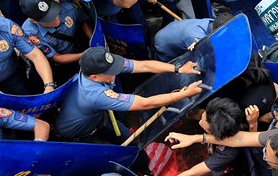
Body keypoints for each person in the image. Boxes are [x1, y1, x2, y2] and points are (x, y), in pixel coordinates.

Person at [54, 47, 202, 144]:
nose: (116, 71)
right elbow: (145, 103)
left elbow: (142, 65)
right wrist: (183, 95)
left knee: (130, 142)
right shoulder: (94, 95)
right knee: (114, 156)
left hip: (98, 117)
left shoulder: (101, 65)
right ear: (94, 77)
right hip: (79, 135)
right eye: (110, 71)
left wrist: (178, 68)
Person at [20, 0, 87, 71]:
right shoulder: (31, 34)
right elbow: (56, 58)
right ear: (34, 21)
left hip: (81, 44)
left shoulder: (67, 8)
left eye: (53, 12)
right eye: (48, 19)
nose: (56, 19)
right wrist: (85, 55)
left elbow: (83, 21)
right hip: (63, 63)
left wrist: (92, 40)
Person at [153, 13, 232, 62]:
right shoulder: (195, 37)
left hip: (171, 30)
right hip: (161, 49)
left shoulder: (210, 22)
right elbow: (202, 57)